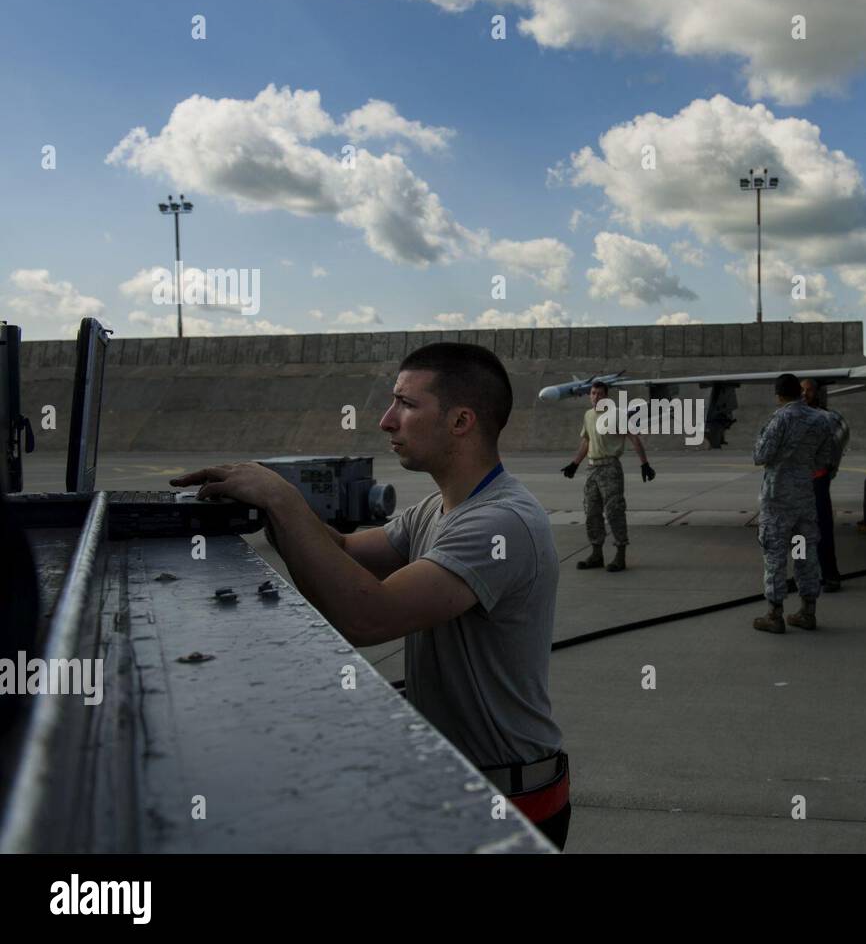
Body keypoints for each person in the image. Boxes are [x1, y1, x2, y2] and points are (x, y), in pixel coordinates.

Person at [171, 342, 572, 849]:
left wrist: (280, 497)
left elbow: (367, 616)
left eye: (406, 404)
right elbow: (340, 549)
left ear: (461, 421)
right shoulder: (436, 509)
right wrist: (270, 505)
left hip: (510, 805)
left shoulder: (500, 524)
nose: (387, 420)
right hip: (462, 788)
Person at [752, 373, 834, 634]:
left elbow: (761, 455)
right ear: (799, 392)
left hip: (777, 500)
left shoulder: (781, 418)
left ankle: (775, 615)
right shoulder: (821, 419)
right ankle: (807, 611)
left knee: (775, 554)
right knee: (804, 552)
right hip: (804, 497)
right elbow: (824, 459)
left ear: (779, 394)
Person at [561, 381, 655, 572]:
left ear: (606, 397)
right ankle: (597, 554)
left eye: (600, 394)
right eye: (593, 393)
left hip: (610, 468)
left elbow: (634, 437)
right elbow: (586, 440)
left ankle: (620, 556)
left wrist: (644, 464)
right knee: (591, 512)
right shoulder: (588, 415)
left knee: (614, 511)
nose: (596, 397)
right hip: (592, 469)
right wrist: (574, 464)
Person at [801, 378, 851, 592]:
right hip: (797, 485)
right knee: (798, 535)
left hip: (816, 482)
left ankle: (830, 575)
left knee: (822, 530)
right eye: (801, 390)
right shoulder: (790, 418)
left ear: (817, 393)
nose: (804, 394)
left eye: (809, 390)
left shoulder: (827, 419)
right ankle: (803, 575)